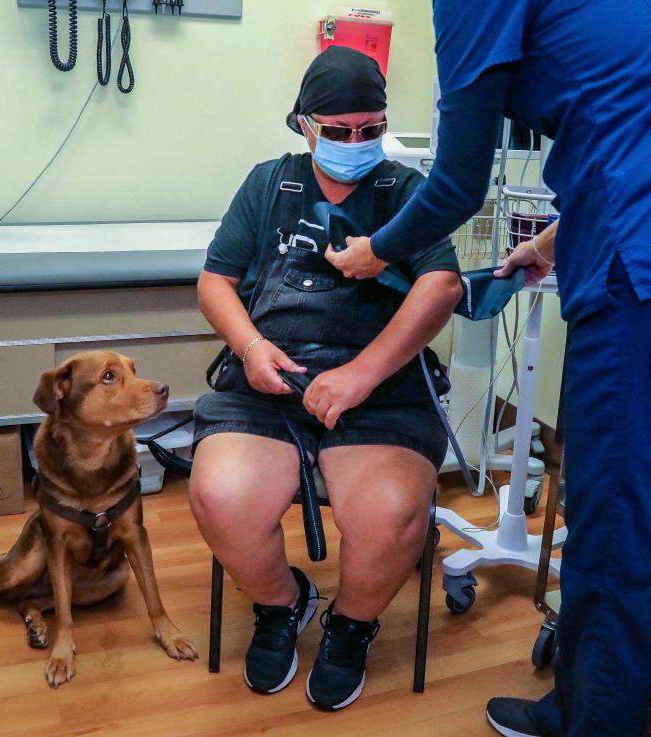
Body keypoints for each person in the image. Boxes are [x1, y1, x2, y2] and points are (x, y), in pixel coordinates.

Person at [324, 2, 651, 736]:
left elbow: (456, 186)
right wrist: (551, 240)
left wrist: (374, 251)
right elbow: (643, 122)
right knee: (616, 525)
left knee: (612, 551)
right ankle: (573, 708)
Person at [189, 46, 463, 711]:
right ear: (305, 124)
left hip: (378, 390)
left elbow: (443, 285)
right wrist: (250, 347)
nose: (355, 143)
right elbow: (214, 281)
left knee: (392, 509)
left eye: (370, 129)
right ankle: (284, 602)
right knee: (220, 493)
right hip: (271, 382)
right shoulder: (269, 186)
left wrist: (362, 376)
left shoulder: (405, 194)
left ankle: (350, 626)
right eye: (337, 131)